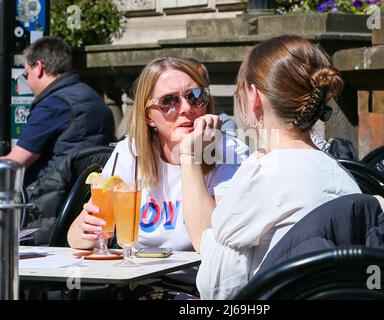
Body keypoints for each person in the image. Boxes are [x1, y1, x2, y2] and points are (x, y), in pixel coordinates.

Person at [180, 35, 362, 299]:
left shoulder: (262, 174)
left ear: (254, 97)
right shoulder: (341, 174)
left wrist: (189, 157)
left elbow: (217, 288)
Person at [67, 56, 248, 294]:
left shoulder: (231, 152)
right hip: (135, 285)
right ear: (148, 117)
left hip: (198, 290)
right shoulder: (131, 152)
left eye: (195, 96)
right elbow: (76, 239)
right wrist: (90, 229)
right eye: (169, 101)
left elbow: (209, 244)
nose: (186, 108)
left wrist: (190, 157)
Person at [0, 36, 115, 187]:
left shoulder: (53, 106)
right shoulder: (94, 98)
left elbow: (14, 163)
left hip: (45, 198)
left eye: (26, 74)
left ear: (39, 67)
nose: (27, 82)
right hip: (84, 196)